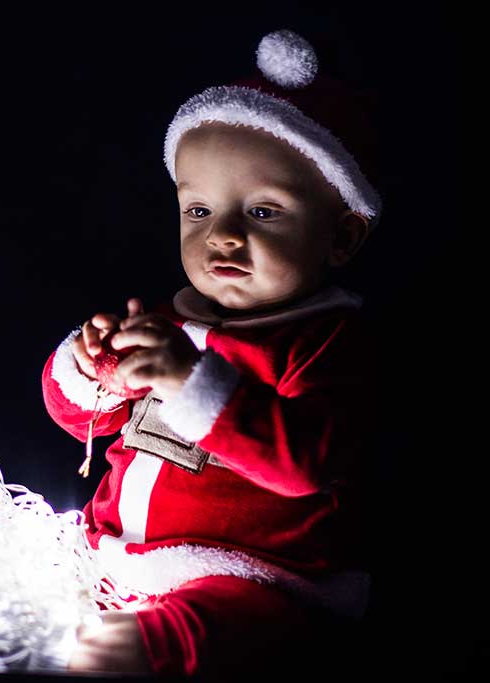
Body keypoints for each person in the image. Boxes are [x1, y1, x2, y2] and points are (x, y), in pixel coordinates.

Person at [39, 28, 382, 678]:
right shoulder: (170, 320)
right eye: (199, 208)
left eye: (262, 211)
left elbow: (304, 462)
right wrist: (89, 370)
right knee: (17, 543)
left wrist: (189, 380)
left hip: (257, 577)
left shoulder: (329, 340)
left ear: (339, 236)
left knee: (216, 630)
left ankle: (141, 648)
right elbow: (80, 419)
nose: (221, 234)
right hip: (112, 552)